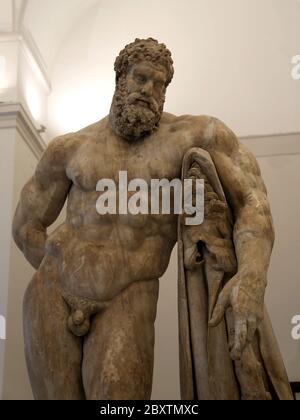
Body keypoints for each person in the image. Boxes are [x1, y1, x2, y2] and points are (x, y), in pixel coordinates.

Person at [12, 38, 292, 400]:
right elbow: (25, 226)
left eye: (160, 84)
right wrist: (63, 267)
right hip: (51, 292)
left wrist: (253, 275)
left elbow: (255, 203)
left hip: (129, 296)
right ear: (120, 79)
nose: (149, 90)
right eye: (141, 78)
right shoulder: (70, 147)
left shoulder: (194, 136)